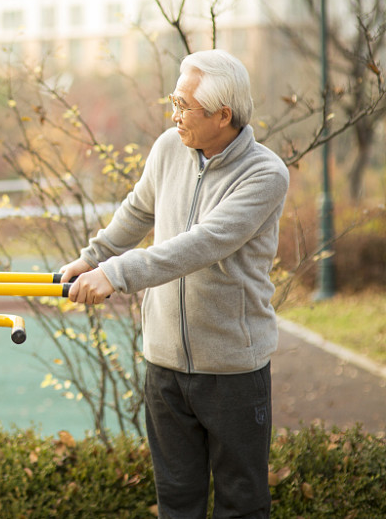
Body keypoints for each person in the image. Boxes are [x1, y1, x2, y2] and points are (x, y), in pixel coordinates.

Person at [59, 49, 289, 518]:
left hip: (232, 372)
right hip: (164, 365)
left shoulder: (265, 176)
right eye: (174, 101)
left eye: (184, 105)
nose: (174, 114)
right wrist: (93, 257)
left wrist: (116, 274)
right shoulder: (169, 147)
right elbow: (139, 209)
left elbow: (201, 244)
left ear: (223, 115)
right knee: (176, 503)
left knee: (241, 504)